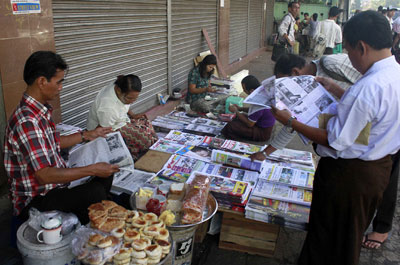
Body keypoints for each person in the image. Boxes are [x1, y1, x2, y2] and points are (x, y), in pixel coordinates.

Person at [264, 11, 400, 264]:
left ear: (361, 47)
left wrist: (290, 121)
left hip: (349, 175)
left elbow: (335, 140)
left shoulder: (369, 87)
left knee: (332, 237)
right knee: (346, 234)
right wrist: (337, 90)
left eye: (348, 50)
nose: (347, 56)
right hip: (376, 167)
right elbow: (367, 123)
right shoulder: (393, 75)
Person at [3, 51, 120, 224]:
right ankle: (89, 220)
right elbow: (44, 176)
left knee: (106, 173)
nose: (61, 88)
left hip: (54, 186)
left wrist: (87, 135)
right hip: (36, 199)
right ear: (42, 82)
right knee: (94, 191)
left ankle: (93, 214)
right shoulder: (27, 121)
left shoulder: (39, 110)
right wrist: (92, 169)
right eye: (58, 82)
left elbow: (52, 142)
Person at [87, 75, 158, 161]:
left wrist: (132, 115)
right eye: (130, 98)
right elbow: (104, 131)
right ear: (119, 90)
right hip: (109, 128)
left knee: (145, 122)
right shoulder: (107, 108)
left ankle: (145, 147)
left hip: (120, 120)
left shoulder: (120, 85)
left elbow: (123, 106)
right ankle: (135, 156)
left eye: (135, 99)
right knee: (145, 139)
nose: (132, 101)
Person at [221, 75, 275, 142]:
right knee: (238, 118)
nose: (243, 91)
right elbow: (254, 111)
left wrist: (236, 111)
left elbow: (250, 124)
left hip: (262, 133)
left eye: (244, 89)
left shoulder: (258, 102)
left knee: (231, 126)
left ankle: (234, 140)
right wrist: (240, 108)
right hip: (260, 124)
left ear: (251, 90)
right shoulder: (261, 94)